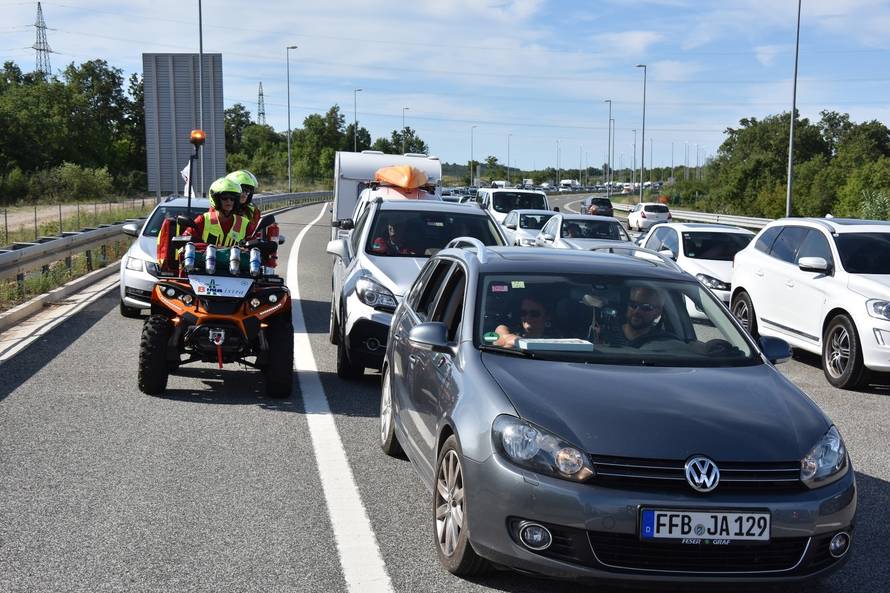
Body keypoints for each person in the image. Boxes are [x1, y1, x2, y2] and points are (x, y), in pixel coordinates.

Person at [596, 285, 670, 346]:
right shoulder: (604, 333)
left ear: (657, 313)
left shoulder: (663, 343)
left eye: (645, 307)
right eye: (633, 305)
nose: (636, 311)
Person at [185, 177, 249, 246]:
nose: (229, 201)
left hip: (236, 257)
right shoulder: (203, 220)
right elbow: (184, 241)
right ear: (216, 199)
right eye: (224, 198)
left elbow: (255, 243)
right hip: (206, 256)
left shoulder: (244, 224)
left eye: (232, 198)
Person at [226, 170, 262, 238]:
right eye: (243, 190)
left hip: (247, 247)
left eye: (248, 191)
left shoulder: (252, 211)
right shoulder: (219, 211)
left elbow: (258, 233)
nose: (245, 194)